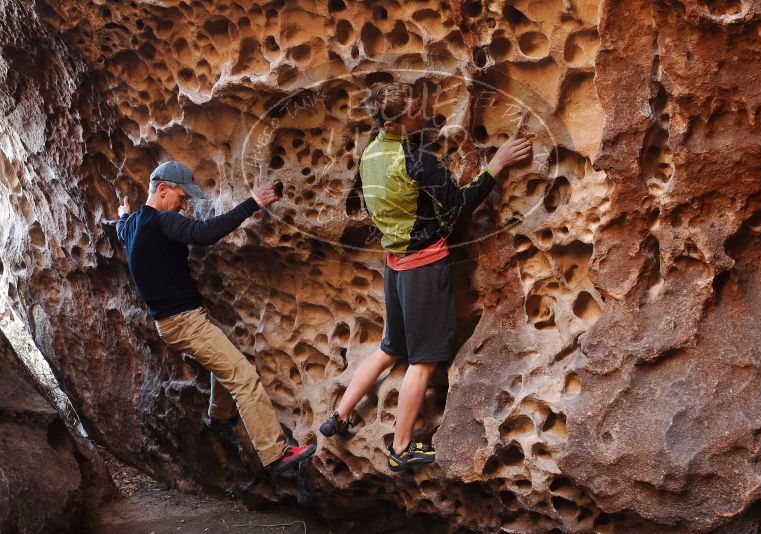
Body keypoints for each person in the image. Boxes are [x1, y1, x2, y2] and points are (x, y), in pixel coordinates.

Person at [319, 83, 531, 472]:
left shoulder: (370, 154)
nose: (424, 114)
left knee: (390, 347)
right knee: (423, 361)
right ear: (398, 121)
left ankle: (340, 415)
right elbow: (459, 207)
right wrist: (496, 164)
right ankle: (402, 448)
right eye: (416, 110)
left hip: (394, 264)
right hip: (423, 266)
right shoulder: (416, 160)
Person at [116, 161, 315, 474]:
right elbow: (205, 233)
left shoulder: (133, 225)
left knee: (223, 357)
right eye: (182, 197)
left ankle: (219, 418)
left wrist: (123, 210)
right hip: (184, 322)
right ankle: (275, 453)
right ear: (163, 189)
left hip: (175, 322)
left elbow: (120, 225)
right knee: (243, 377)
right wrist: (254, 203)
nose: (185, 205)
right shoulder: (164, 221)